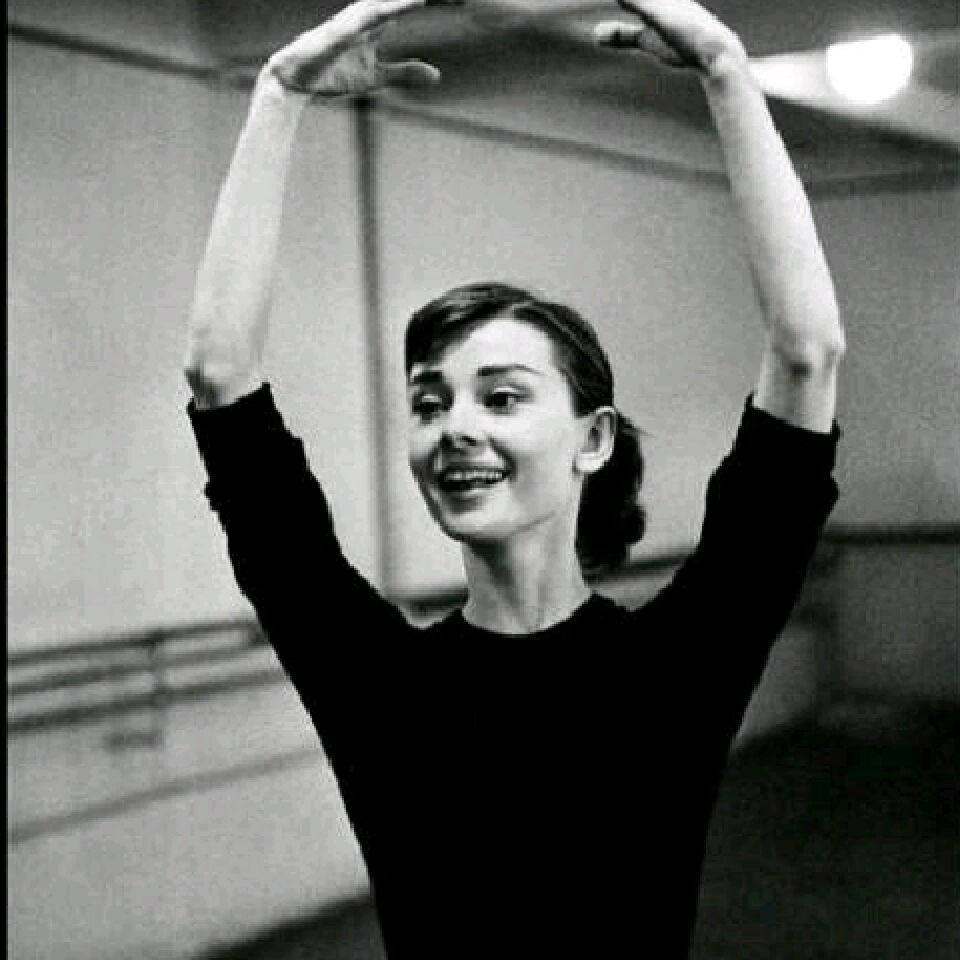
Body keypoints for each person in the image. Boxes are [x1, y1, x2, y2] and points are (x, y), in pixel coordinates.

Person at [183, 1, 845, 956]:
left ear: (592, 439)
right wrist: (279, 95)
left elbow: (808, 352)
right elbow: (219, 377)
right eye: (429, 402)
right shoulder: (377, 682)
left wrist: (729, 76)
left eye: (500, 397)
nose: (455, 427)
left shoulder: (679, 666)